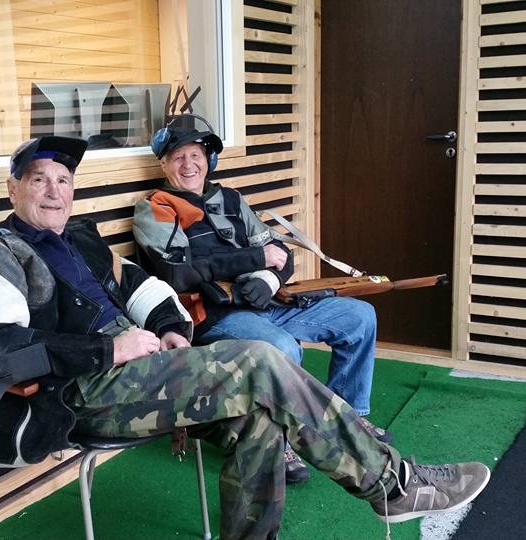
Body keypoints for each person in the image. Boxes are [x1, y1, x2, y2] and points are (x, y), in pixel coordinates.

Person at [0, 136, 490, 540]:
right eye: (39, 180)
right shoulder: (0, 249)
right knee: (258, 361)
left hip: (138, 374)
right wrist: (112, 348)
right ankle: (394, 485)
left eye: (63, 180)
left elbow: (144, 287)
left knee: (259, 420)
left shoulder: (80, 239)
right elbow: (4, 351)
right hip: (80, 391)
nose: (54, 191)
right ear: (13, 189)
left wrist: (170, 329)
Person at [132, 120, 390, 483]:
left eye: (196, 155)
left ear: (209, 159)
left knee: (359, 317)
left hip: (266, 304)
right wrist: (255, 260)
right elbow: (178, 274)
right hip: (213, 315)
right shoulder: (156, 207)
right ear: (163, 164)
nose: (189, 164)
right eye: (178, 157)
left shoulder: (230, 199)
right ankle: (276, 440)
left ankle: (346, 420)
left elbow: (279, 252)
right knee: (282, 348)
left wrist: (270, 280)